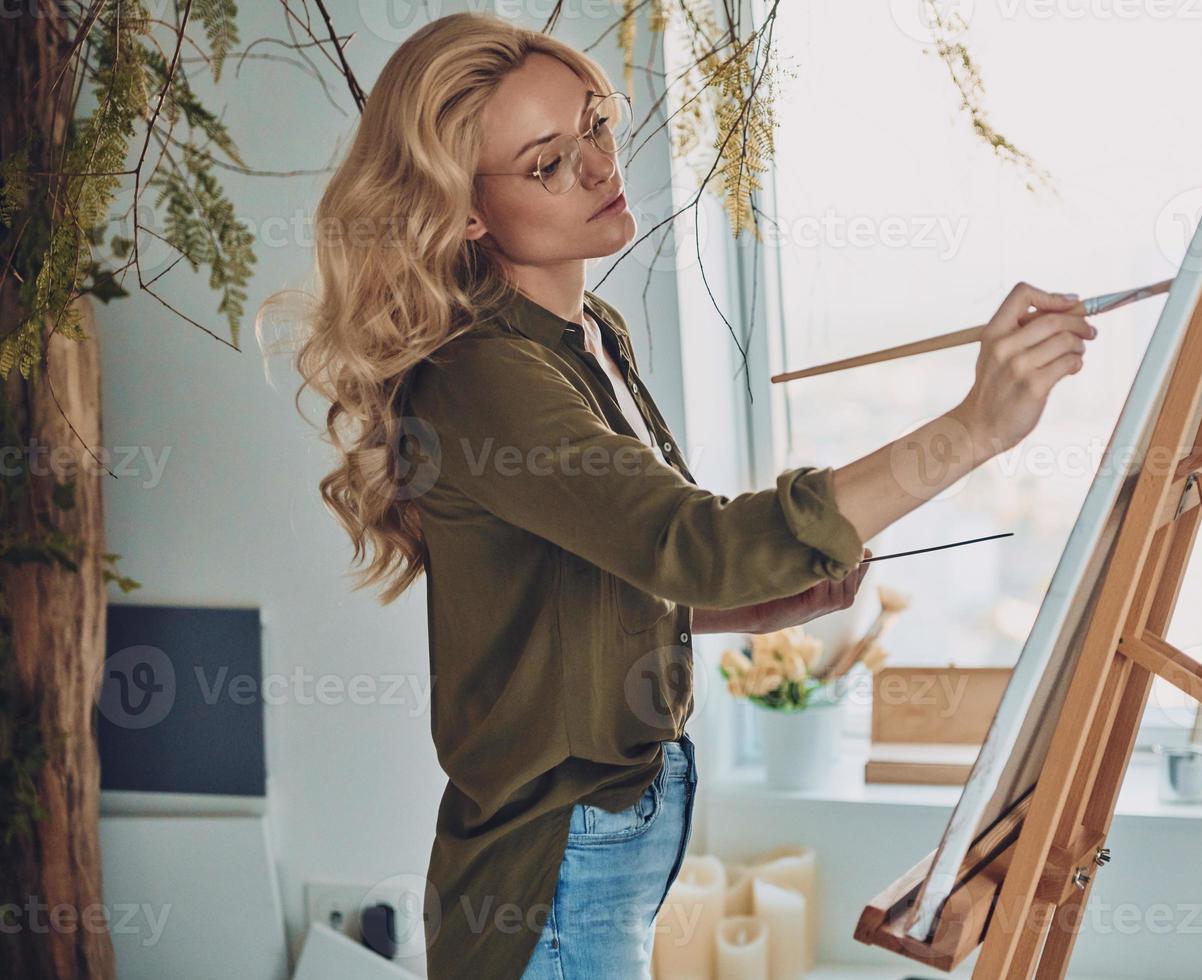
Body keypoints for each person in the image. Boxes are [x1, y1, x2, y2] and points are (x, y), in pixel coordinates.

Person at [284, 12, 1093, 979]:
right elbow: (689, 541)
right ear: (464, 210)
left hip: (603, 849)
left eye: (593, 123)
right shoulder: (483, 378)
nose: (595, 165)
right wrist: (976, 428)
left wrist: (759, 603)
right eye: (546, 163)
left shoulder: (588, 333)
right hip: (548, 877)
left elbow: (618, 576)